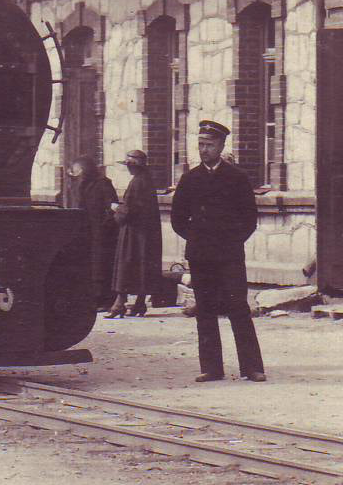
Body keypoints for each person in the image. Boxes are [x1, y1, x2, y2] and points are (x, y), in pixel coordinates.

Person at [170, 120, 266, 382]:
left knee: (238, 308)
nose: (204, 150)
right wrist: (197, 237)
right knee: (205, 309)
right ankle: (211, 368)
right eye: (200, 145)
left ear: (221, 146)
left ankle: (252, 368)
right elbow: (178, 218)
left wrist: (231, 240)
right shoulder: (190, 179)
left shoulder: (237, 178)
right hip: (200, 256)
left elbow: (249, 218)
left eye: (209, 145)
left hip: (229, 255)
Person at [108, 150, 163, 317]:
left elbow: (129, 210)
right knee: (142, 266)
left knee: (126, 265)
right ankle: (140, 303)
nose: (128, 168)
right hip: (147, 233)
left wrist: (116, 209)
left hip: (133, 233)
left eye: (129, 165)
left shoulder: (137, 183)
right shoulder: (147, 180)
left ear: (134, 167)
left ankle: (119, 304)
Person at [61, 155, 118, 309]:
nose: (75, 176)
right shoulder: (79, 186)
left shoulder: (102, 184)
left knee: (101, 265)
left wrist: (105, 226)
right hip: (85, 232)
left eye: (77, 172)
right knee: (88, 266)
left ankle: (104, 299)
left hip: (101, 232)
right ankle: (92, 298)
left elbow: (112, 207)